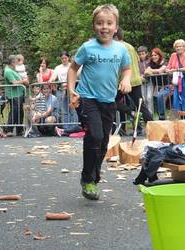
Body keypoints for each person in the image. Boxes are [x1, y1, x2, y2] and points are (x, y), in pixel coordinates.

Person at [67, 4, 131, 200]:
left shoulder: (121, 49)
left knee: (103, 143)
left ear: (115, 26)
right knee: (94, 135)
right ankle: (87, 179)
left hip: (108, 100)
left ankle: (93, 175)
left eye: (109, 23)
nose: (104, 27)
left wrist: (126, 79)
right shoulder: (87, 48)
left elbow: (127, 69)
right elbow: (72, 69)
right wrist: (71, 90)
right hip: (88, 98)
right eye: (100, 23)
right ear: (94, 26)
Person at [114, 29, 153, 136]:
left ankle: (132, 113)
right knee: (142, 105)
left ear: (115, 37)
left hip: (125, 81)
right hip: (136, 79)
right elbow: (138, 61)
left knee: (111, 101)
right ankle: (153, 128)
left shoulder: (117, 47)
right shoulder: (130, 46)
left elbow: (118, 65)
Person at [165, 39, 185, 113]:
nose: (178, 48)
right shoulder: (173, 55)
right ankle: (178, 115)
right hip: (176, 81)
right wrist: (168, 70)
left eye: (180, 46)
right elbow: (168, 66)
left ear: (184, 47)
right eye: (177, 47)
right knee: (176, 98)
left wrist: (176, 70)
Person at [4, 55, 29, 136]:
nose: (17, 62)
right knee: (14, 111)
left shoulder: (12, 70)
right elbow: (14, 83)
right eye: (15, 61)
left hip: (19, 94)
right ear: (12, 62)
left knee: (20, 112)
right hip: (13, 95)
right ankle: (9, 129)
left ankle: (19, 129)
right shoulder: (8, 71)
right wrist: (23, 81)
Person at [144, 48, 167, 119]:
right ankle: (158, 116)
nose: (153, 57)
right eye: (152, 55)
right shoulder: (152, 63)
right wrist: (154, 71)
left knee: (160, 97)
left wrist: (152, 71)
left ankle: (162, 116)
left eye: (155, 55)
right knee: (155, 99)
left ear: (159, 55)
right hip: (157, 86)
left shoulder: (164, 62)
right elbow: (146, 72)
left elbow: (160, 71)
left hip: (167, 85)